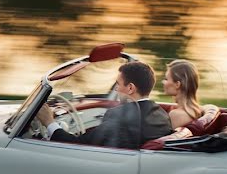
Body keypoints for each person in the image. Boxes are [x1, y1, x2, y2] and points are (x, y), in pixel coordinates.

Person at [35, 60, 172, 149]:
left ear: (130, 88)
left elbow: (78, 146)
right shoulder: (162, 115)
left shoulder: (119, 115)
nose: (117, 89)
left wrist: (49, 123)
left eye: (118, 84)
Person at [162, 59, 204, 129]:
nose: (163, 82)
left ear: (177, 85)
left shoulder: (176, 115)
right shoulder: (197, 110)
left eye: (166, 79)